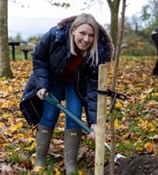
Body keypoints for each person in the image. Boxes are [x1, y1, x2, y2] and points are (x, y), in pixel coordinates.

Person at [19, 13, 113, 174]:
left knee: (74, 115)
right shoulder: (56, 36)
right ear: (73, 30)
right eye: (82, 33)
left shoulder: (99, 52)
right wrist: (42, 84)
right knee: (49, 115)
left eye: (91, 35)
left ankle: (70, 164)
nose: (86, 39)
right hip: (53, 78)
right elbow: (38, 56)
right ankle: (40, 159)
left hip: (75, 83)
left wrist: (94, 121)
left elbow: (92, 87)